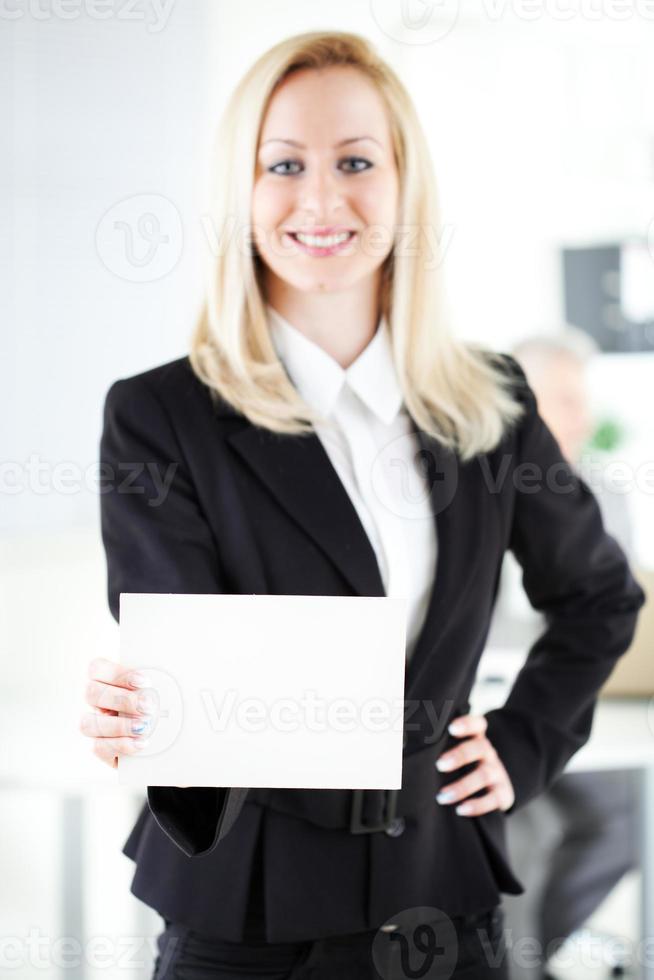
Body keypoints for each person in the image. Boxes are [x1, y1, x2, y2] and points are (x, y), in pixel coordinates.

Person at [79, 31, 645, 980]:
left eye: (356, 161)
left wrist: (526, 741)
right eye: (283, 165)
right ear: (242, 194)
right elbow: (187, 657)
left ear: (404, 185)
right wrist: (145, 707)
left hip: (439, 902)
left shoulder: (486, 401)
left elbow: (598, 598)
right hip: (249, 910)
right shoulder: (160, 417)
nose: (321, 199)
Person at [487, 330, 639, 979]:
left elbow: (609, 611)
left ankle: (533, 955)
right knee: (526, 829)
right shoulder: (474, 485)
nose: (583, 419)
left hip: (578, 713)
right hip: (490, 719)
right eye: (567, 400)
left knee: (630, 814)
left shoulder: (606, 494)